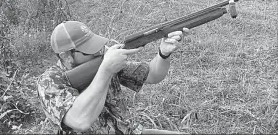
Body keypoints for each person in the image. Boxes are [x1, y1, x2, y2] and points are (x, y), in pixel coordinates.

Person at [37, 21, 189, 134]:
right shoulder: (50, 82)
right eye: (89, 50)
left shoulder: (104, 60)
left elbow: (153, 75)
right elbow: (80, 120)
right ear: (66, 56)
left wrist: (164, 53)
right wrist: (106, 71)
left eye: (96, 45)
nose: (99, 52)